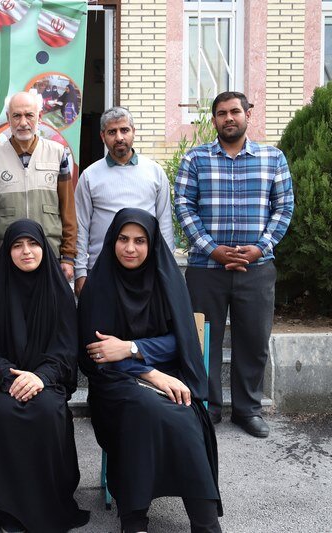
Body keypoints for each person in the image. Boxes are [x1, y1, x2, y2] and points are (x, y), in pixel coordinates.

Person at [78, 208, 222, 533]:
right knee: (141, 408)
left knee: (184, 416)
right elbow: (94, 354)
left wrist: (132, 347)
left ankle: (205, 522)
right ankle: (134, 520)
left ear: (152, 243)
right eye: (123, 239)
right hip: (113, 384)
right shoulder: (99, 285)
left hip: (170, 376)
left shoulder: (167, 281)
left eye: (140, 241)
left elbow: (183, 340)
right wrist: (149, 373)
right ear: (112, 241)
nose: (130, 248)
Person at [174, 91, 294, 437]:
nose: (229, 118)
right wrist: (212, 249)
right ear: (213, 120)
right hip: (206, 269)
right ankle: (207, 407)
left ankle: (248, 410)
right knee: (204, 340)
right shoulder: (195, 159)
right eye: (222, 113)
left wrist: (259, 248)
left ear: (247, 115)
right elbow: (184, 205)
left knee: (253, 341)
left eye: (235, 112)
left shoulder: (273, 158)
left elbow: (283, 207)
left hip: (257, 268)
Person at [0, 219, 90, 533]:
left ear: (44, 247)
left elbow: (66, 350)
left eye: (33, 244)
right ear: (7, 251)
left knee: (47, 410)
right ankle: (2, 509)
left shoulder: (59, 293)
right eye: (17, 245)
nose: (26, 251)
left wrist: (40, 377)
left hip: (47, 381)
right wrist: (9, 377)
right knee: (0, 411)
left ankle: (44, 505)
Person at [0, 91, 77, 284]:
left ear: (39, 116)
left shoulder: (57, 153)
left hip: (50, 254)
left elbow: (68, 210)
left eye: (29, 115)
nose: (23, 122)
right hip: (6, 256)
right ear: (8, 118)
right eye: (17, 116)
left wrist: (68, 256)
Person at [74, 106, 174, 296]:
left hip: (146, 270)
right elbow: (81, 227)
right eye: (112, 132)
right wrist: (80, 272)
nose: (119, 137)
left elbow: (165, 224)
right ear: (103, 136)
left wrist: (166, 269)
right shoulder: (89, 176)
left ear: (133, 132)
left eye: (124, 130)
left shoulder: (154, 172)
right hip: (101, 270)